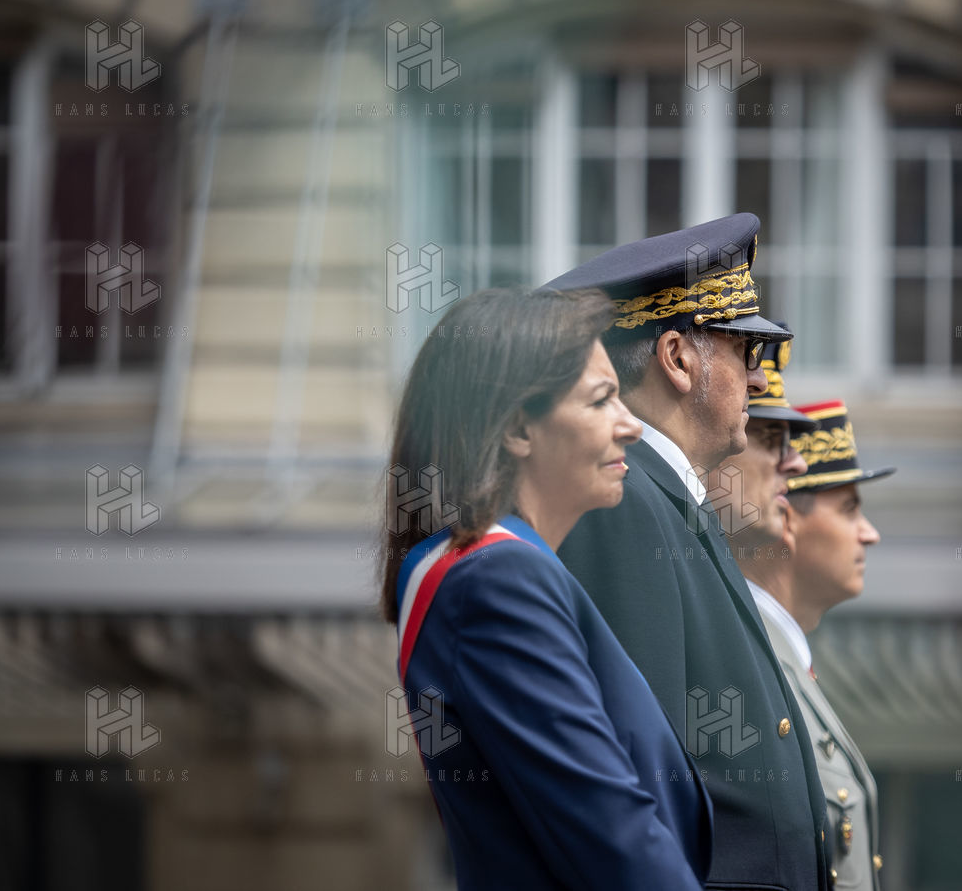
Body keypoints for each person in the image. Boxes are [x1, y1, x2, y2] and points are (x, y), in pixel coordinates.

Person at [379, 287, 712, 891]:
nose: (631, 426)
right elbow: (613, 835)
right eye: (601, 399)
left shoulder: (488, 568)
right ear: (517, 429)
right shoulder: (497, 578)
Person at [545, 213, 832, 891]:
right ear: (676, 358)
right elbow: (642, 780)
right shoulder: (626, 504)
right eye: (745, 351)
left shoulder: (670, 501)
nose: (758, 381)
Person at [712, 386, 894, 890]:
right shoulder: (749, 664)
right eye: (850, 509)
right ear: (787, 518)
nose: (869, 533)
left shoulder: (784, 657)